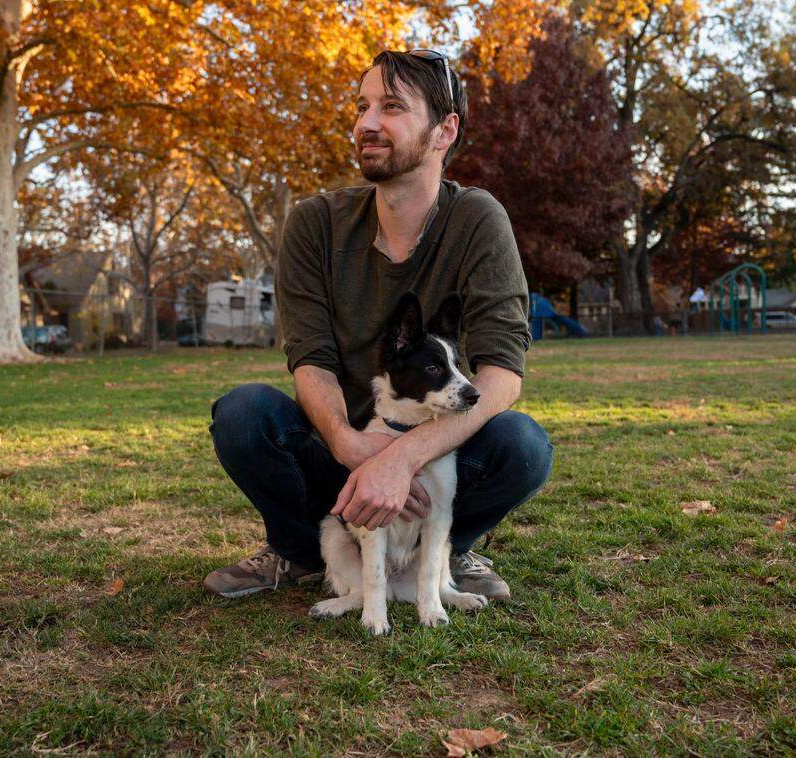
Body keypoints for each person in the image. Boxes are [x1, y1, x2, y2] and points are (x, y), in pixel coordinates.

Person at [204, 49, 552, 602]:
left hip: (435, 462)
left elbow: (502, 372)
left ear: (444, 131)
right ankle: (299, 552)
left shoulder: (478, 220)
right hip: (338, 461)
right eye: (363, 106)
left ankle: (445, 551)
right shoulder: (314, 223)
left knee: (523, 444)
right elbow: (310, 358)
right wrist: (355, 449)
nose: (366, 123)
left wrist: (405, 458)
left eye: (391, 107)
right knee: (244, 415)